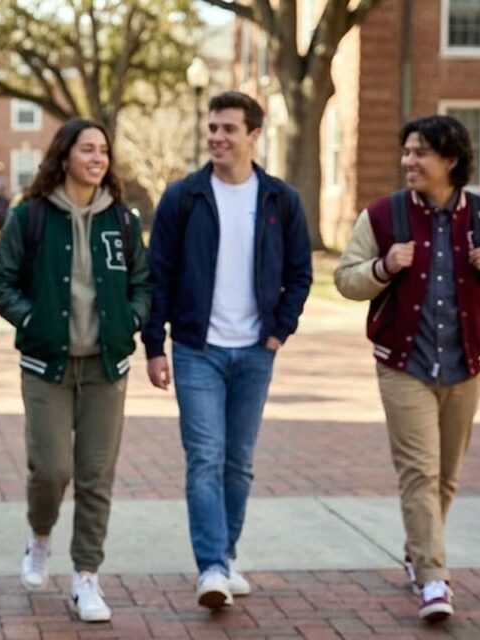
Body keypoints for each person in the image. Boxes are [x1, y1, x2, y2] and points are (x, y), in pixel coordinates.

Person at [334, 115, 480, 623]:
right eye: (406, 152)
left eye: (421, 153)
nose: (409, 162)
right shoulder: (383, 215)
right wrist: (384, 267)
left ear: (450, 161)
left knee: (448, 478)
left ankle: (419, 550)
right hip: (403, 363)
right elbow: (346, 279)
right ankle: (434, 577)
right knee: (419, 472)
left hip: (467, 363)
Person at [141, 91, 312, 611]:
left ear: (253, 136)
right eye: (212, 127)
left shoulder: (280, 200)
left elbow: (299, 272)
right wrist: (154, 344)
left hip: (256, 351)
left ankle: (228, 555)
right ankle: (212, 566)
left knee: (238, 461)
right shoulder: (183, 197)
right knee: (205, 458)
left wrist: (280, 330)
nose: (217, 136)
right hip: (197, 349)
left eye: (228, 129)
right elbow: (158, 275)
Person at [0, 118, 151, 623]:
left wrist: (132, 321)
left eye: (103, 150)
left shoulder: (122, 220)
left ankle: (86, 577)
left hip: (106, 367)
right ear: (65, 156)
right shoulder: (31, 216)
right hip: (46, 365)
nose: (98, 158)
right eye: (87, 149)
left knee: (96, 475)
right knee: (52, 470)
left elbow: (143, 282)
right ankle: (39, 537)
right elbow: (0, 280)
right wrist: (31, 319)